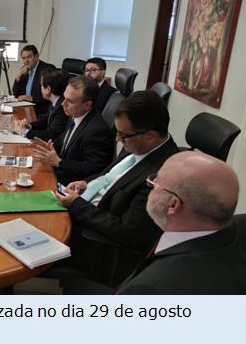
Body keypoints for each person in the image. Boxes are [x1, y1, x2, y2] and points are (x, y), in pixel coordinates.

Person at [54, 90, 178, 283]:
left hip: (91, 240)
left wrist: (76, 205)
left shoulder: (159, 177)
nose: (117, 140)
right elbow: (109, 174)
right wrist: (86, 183)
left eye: (122, 135)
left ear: (151, 136)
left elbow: (127, 233)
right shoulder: (138, 144)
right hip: (83, 208)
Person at [117, 152, 246, 294]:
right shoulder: (245, 224)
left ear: (173, 205)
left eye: (156, 183)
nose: (150, 184)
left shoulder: (150, 289)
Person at [32, 75, 115, 186]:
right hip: (57, 174)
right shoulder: (76, 114)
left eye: (69, 101)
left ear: (87, 105)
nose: (63, 104)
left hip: (70, 186)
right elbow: (64, 141)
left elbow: (95, 169)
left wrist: (59, 162)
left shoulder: (97, 131)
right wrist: (48, 147)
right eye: (64, 98)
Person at [13, 69, 69, 141]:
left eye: (42, 86)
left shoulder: (62, 107)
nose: (40, 88)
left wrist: (24, 132)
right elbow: (46, 120)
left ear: (48, 89)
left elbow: (51, 135)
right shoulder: (55, 100)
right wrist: (29, 126)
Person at [12, 45, 56, 115]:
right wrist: (18, 77)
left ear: (37, 56)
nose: (26, 61)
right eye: (23, 58)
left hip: (40, 110)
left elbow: (51, 94)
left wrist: (31, 98)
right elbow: (16, 94)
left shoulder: (47, 69)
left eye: (29, 57)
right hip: (25, 107)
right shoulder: (24, 69)